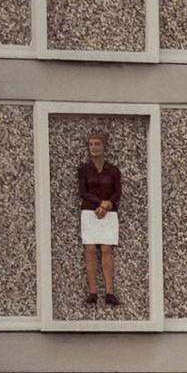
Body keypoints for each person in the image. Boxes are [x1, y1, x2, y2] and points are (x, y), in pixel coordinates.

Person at [77, 129, 121, 305]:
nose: (93, 147)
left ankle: (109, 291)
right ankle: (93, 291)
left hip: (108, 213)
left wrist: (108, 204)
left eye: (97, 144)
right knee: (89, 249)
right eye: (91, 144)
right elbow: (83, 192)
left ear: (104, 147)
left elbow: (118, 192)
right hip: (90, 211)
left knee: (106, 249)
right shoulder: (84, 169)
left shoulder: (113, 171)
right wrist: (100, 203)